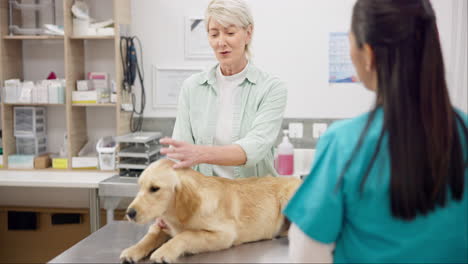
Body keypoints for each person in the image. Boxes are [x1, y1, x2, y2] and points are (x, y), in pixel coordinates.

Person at [284, 0, 468, 263]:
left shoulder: (344, 143)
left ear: (368, 55)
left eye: (350, 41)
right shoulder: (463, 131)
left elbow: (307, 254)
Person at [159, 0, 287, 179]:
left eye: (230, 32)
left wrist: (201, 154)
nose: (221, 42)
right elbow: (181, 152)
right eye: (214, 34)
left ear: (248, 33)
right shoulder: (192, 87)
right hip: (207, 199)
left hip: (253, 200)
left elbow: (254, 147)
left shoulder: (271, 88)